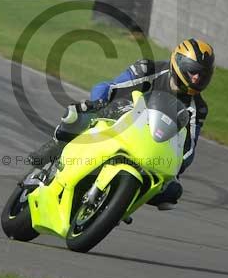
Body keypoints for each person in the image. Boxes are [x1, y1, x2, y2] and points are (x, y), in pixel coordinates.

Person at [27, 38, 215, 211]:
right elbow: (109, 87)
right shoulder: (149, 69)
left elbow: (189, 146)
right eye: (193, 71)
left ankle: (120, 206)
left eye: (203, 75)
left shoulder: (199, 108)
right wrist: (98, 103)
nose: (197, 79)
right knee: (79, 114)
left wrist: (176, 166)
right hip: (118, 118)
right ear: (179, 63)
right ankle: (55, 147)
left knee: (172, 192)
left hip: (150, 146)